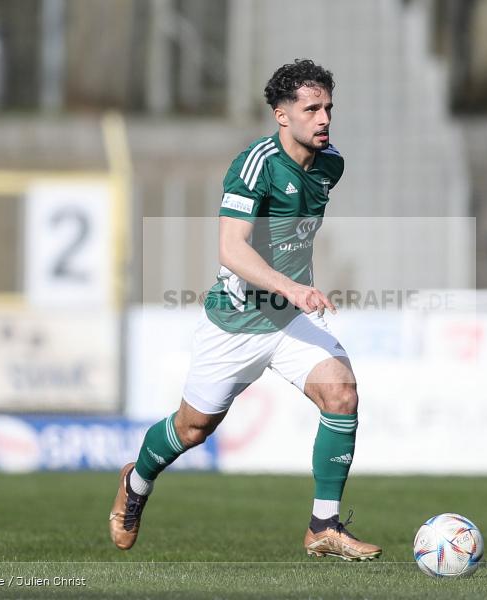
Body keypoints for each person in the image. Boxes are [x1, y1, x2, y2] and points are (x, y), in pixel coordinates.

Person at [109, 59, 382, 561]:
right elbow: (231, 248)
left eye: (328, 108)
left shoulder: (331, 164)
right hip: (235, 323)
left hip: (290, 320)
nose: (324, 118)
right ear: (282, 115)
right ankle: (137, 481)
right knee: (193, 428)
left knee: (342, 393)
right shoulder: (255, 164)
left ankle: (323, 525)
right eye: (311, 109)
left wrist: (294, 292)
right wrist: (292, 286)